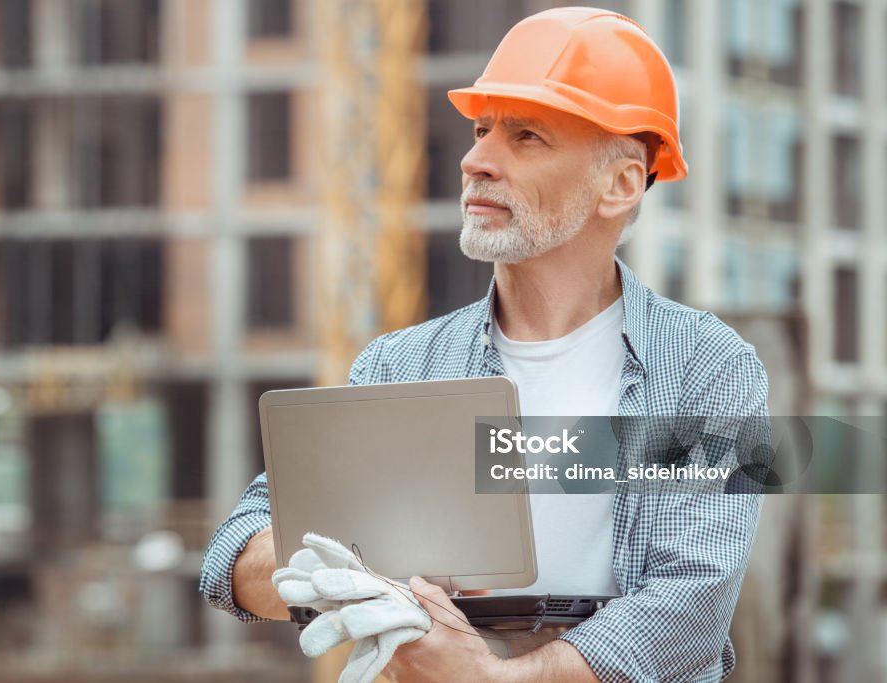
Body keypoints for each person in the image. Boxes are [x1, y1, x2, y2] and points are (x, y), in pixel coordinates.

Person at [201, 7, 766, 682]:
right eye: (480, 130)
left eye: (526, 137)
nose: (475, 160)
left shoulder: (704, 367)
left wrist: (493, 678)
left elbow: (691, 601)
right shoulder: (399, 365)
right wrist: (337, 580)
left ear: (619, 184)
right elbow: (232, 554)